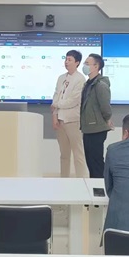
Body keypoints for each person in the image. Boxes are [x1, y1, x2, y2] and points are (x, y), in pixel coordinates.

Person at [51, 50, 89, 178]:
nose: (66, 62)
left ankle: (82, 180)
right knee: (64, 154)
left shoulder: (80, 79)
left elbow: (74, 100)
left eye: (69, 60)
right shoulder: (61, 78)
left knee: (78, 153)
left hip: (73, 120)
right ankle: (64, 179)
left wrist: (57, 105)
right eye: (66, 59)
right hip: (60, 120)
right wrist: (55, 116)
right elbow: (56, 96)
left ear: (77, 63)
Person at [80, 53, 113, 178]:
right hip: (87, 128)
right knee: (90, 161)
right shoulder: (88, 84)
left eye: (87, 63)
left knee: (96, 161)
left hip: (97, 128)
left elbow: (105, 107)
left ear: (96, 66)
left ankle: (101, 184)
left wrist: (107, 118)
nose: (84, 66)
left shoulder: (100, 85)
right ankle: (93, 184)